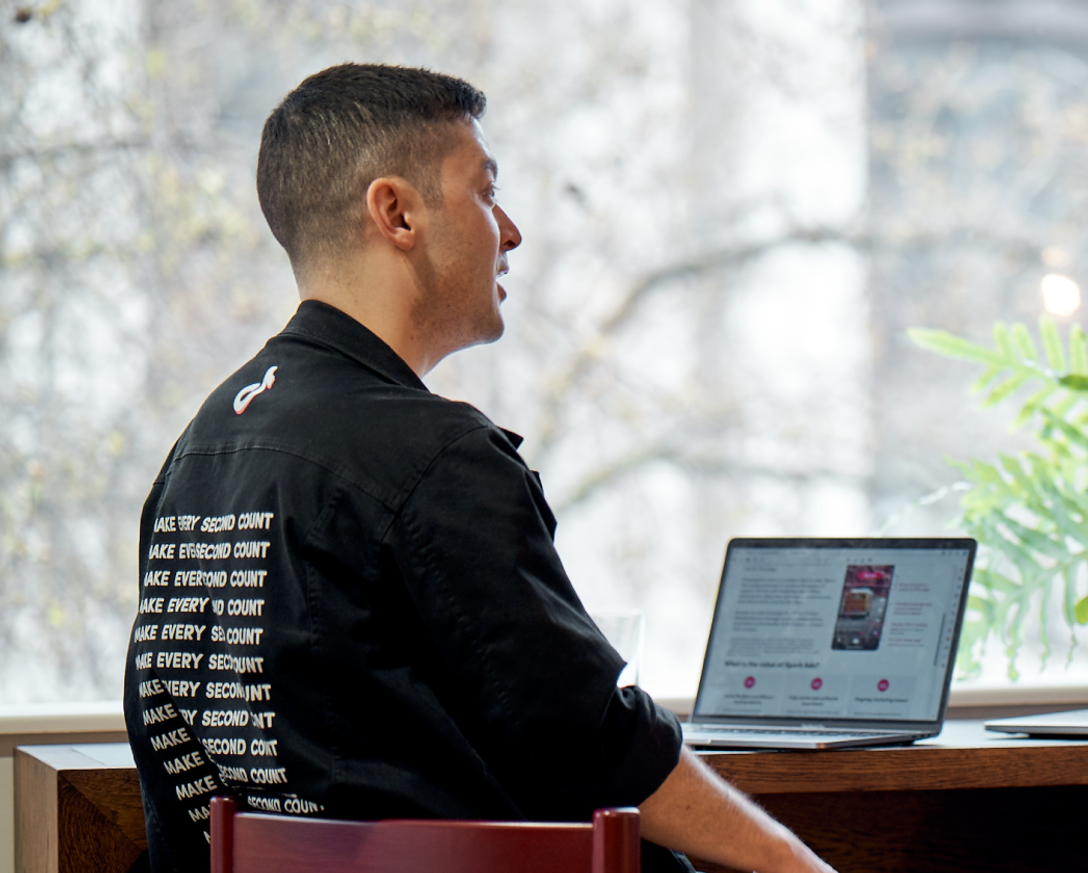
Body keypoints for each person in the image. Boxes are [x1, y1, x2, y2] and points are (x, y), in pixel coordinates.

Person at [122, 64, 836, 873]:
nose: (511, 229)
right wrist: (790, 862)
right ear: (396, 212)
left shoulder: (199, 453)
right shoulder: (434, 457)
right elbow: (596, 743)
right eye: (485, 191)